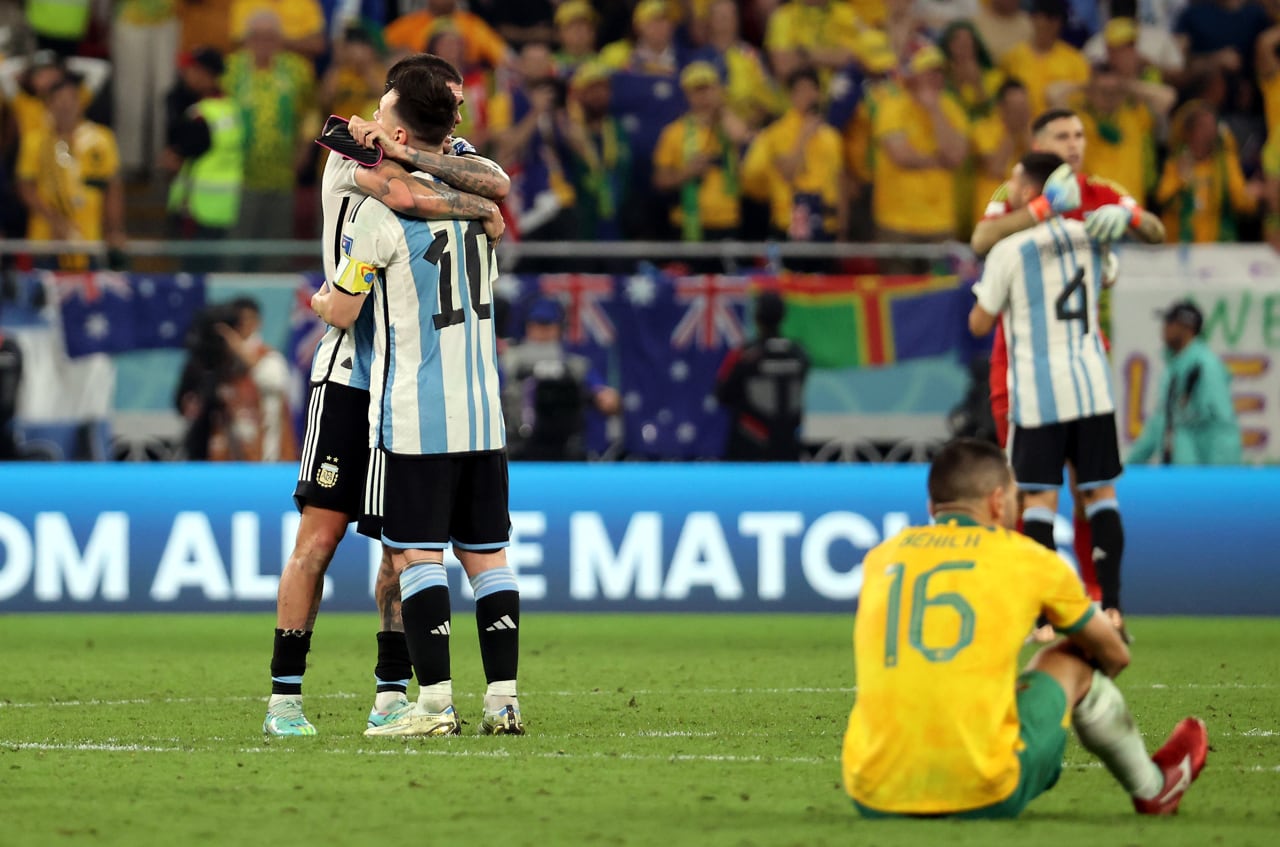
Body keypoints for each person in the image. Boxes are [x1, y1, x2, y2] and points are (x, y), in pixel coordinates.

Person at [262, 55, 509, 737]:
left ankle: (390, 694)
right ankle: (285, 697)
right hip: (350, 373)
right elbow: (411, 193)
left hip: (409, 387)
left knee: (403, 552)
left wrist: (455, 181)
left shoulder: (443, 153)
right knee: (320, 535)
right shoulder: (348, 140)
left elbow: (495, 180)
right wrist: (475, 207)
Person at [842, 437, 1208, 818]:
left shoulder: (880, 557)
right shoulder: (1028, 559)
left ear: (932, 506)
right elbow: (1115, 653)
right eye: (1016, 499)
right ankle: (1154, 787)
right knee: (1071, 659)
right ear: (998, 501)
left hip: (872, 793)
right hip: (984, 792)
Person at [970, 107, 1164, 620]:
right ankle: (1033, 599)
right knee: (1028, 487)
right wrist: (1039, 209)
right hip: (1018, 365)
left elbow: (1157, 232)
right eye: (1061, 135)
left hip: (1082, 358)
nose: (1074, 143)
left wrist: (1132, 218)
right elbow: (982, 240)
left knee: (1086, 486)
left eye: (1079, 134)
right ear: (1037, 142)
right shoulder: (1012, 191)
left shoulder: (1099, 191)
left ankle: (1095, 598)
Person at [16, 75, 126, 270]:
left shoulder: (101, 138)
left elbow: (112, 187)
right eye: (59, 100)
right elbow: (26, 187)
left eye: (71, 99)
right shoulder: (35, 141)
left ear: (80, 103)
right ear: (48, 104)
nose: (65, 106)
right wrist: (54, 220)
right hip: (47, 239)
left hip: (89, 237)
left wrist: (114, 228)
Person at [501, 298, 621, 461]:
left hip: (565, 445)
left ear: (559, 327)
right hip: (518, 444)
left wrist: (606, 396)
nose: (542, 330)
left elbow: (605, 397)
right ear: (528, 326)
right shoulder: (508, 361)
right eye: (537, 324)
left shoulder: (575, 365)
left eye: (548, 324)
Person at [1129, 300, 1243, 466]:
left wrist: (1220, 479)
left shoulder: (1206, 366)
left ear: (1187, 328)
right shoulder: (1175, 366)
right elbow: (1159, 423)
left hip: (1201, 476)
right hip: (1182, 473)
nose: (1164, 327)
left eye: (1170, 321)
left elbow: (1219, 426)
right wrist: (1129, 466)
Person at [163, 48, 244, 260]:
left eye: (192, 70)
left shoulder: (200, 115)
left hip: (195, 210)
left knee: (192, 278)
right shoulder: (230, 108)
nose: (186, 74)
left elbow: (172, 162)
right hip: (224, 208)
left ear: (206, 74)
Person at [715, 291, 810, 462]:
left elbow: (722, 394)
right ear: (783, 316)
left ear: (757, 317)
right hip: (788, 446)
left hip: (750, 447)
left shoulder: (745, 355)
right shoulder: (799, 354)